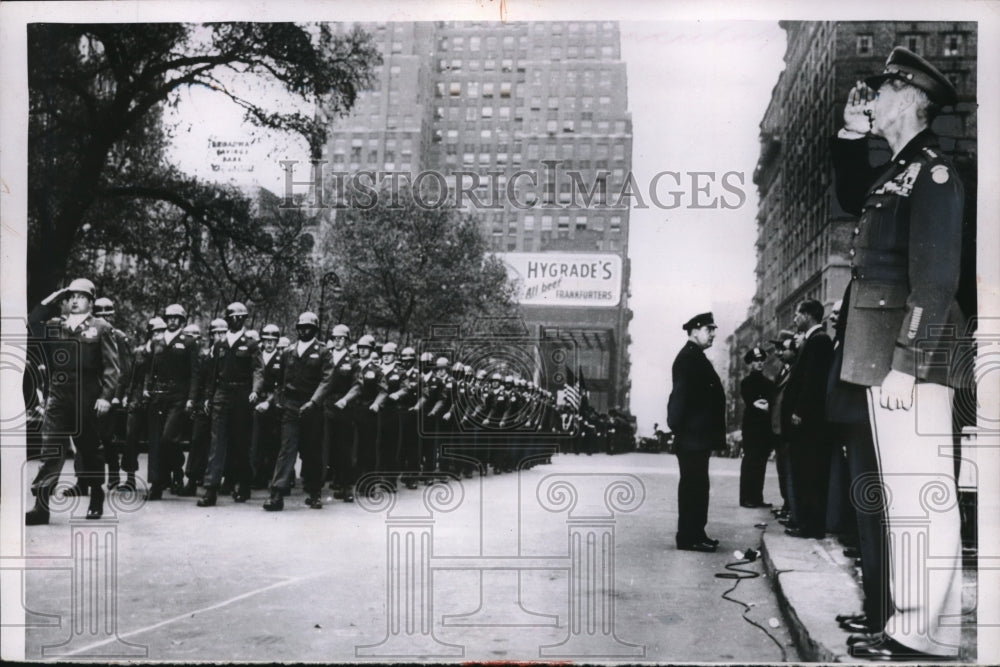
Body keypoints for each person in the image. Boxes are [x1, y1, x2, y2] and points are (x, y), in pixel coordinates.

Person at [832, 47, 965, 661]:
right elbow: (854, 191)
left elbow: (934, 280)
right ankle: (901, 622)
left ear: (910, 99)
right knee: (898, 495)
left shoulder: (934, 172)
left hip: (909, 357)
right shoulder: (898, 169)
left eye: (882, 91)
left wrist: (906, 362)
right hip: (882, 355)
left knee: (920, 498)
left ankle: (921, 635)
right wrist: (849, 134)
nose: (872, 100)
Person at [25, 278, 120, 524]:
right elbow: (32, 321)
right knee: (50, 449)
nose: (75, 300)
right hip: (58, 394)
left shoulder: (101, 328)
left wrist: (106, 397)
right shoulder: (57, 326)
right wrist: (53, 297)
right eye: (72, 297)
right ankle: (41, 506)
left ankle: (96, 495)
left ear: (90, 301)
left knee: (89, 449)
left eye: (81, 296)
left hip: (87, 395)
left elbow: (112, 368)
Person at [262, 312, 334, 511]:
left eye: (309, 328)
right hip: (291, 406)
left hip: (312, 407)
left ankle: (314, 492)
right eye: (301, 327)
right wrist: (279, 401)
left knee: (311, 452)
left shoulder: (323, 352)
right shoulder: (289, 351)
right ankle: (277, 494)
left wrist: (313, 401)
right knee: (286, 450)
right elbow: (280, 381)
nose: (304, 330)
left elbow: (327, 380)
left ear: (315, 330)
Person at [666, 312, 725, 552]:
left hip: (697, 436)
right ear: (694, 331)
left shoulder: (695, 356)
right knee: (693, 486)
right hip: (692, 437)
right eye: (709, 329)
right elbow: (679, 398)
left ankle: (696, 533)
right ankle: (689, 536)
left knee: (698, 486)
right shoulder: (688, 358)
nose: (713, 334)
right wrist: (679, 428)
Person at [198, 302, 262, 507]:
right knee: (217, 443)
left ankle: (243, 484)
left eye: (240, 317)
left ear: (244, 319)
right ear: (227, 319)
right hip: (222, 394)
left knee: (241, 443)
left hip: (242, 395)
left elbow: (258, 370)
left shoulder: (251, 344)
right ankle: (210, 489)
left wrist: (255, 391)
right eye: (232, 317)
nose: (236, 320)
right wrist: (209, 396)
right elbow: (212, 374)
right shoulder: (220, 344)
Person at [782, 299, 834, 539]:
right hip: (807, 422)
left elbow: (813, 381)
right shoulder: (812, 340)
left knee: (809, 473)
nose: (794, 319)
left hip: (809, 423)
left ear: (809, 315)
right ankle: (805, 522)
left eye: (797, 314)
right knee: (803, 472)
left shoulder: (819, 340)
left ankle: (810, 526)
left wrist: (799, 411)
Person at [144, 303, 200, 500]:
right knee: (157, 440)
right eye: (169, 317)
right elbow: (151, 370)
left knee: (169, 438)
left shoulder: (189, 342)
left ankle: (176, 469)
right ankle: (157, 484)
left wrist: (191, 399)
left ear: (182, 321)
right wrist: (147, 389)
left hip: (179, 396)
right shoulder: (158, 341)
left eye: (177, 318)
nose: (172, 321)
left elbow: (194, 374)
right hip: (159, 395)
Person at [738, 346, 776, 508]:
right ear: (750, 363)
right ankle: (746, 498)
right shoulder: (745, 382)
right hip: (752, 428)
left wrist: (762, 404)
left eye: (761, 360)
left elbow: (769, 402)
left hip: (764, 428)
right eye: (756, 361)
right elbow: (752, 402)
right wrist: (761, 404)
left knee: (761, 463)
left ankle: (757, 497)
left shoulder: (768, 383)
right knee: (750, 461)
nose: (759, 363)